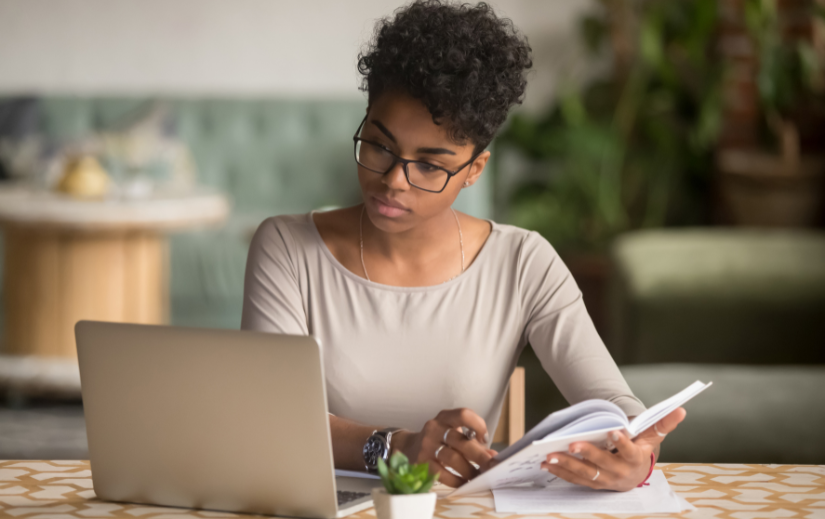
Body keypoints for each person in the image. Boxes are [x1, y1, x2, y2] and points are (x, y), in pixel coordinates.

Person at [241, 0, 685, 491]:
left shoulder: (523, 263)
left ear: (474, 170)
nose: (393, 180)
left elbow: (613, 403)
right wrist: (395, 448)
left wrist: (636, 455)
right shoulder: (286, 247)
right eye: (379, 145)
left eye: (430, 165)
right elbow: (266, 416)